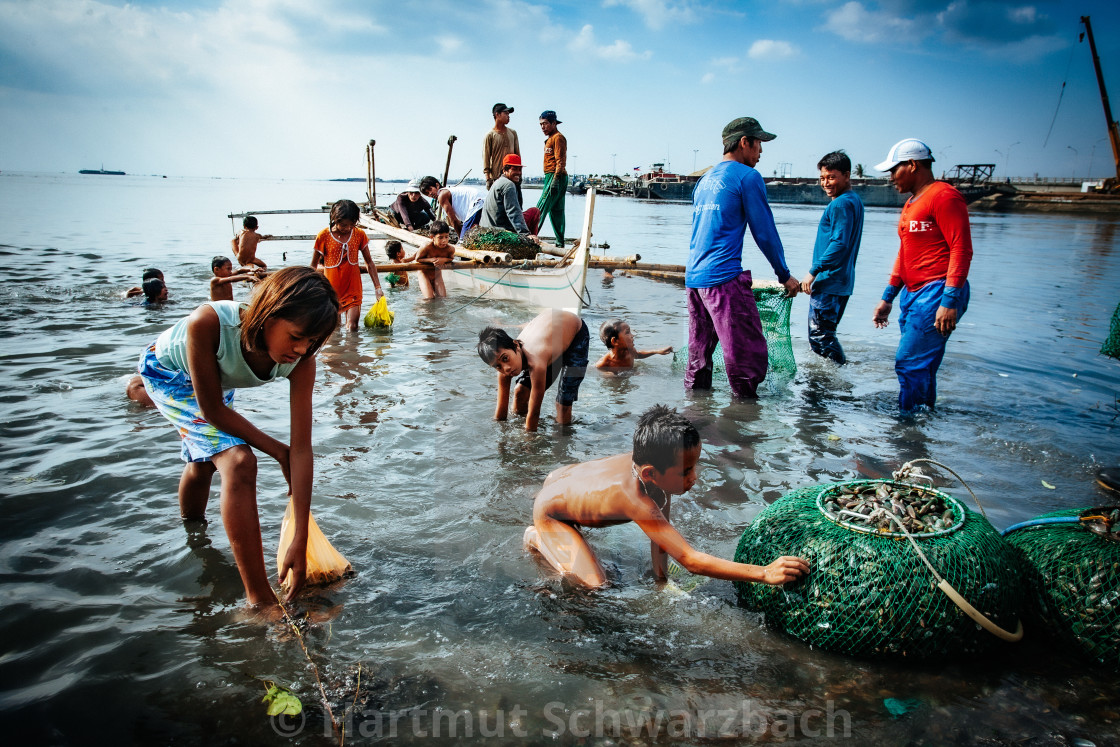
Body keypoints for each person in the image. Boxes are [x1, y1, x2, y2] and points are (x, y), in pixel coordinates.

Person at [134, 266, 340, 612]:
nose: (302, 350)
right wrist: (277, 451)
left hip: (217, 378)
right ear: (269, 313)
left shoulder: (303, 361)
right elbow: (212, 409)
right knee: (239, 460)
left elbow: (302, 450)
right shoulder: (209, 323)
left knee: (205, 460)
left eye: (312, 343)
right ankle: (259, 602)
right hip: (167, 373)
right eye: (296, 337)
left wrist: (300, 538)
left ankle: (193, 531)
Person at [523, 404, 810, 588]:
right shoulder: (636, 499)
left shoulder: (655, 472)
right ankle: (538, 538)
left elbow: (661, 538)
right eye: (686, 471)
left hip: (563, 480)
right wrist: (763, 573)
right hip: (551, 511)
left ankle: (561, 533)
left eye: (694, 466)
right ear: (650, 474)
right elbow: (690, 559)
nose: (694, 477)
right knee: (595, 585)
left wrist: (661, 580)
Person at [685, 116, 800, 397]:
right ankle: (743, 426)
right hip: (723, 281)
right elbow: (765, 233)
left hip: (694, 281)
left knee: (698, 360)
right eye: (758, 143)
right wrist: (784, 275)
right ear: (744, 142)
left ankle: (694, 417)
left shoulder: (704, 181)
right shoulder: (748, 177)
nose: (761, 151)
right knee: (746, 360)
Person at [871, 138, 973, 412]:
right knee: (921, 366)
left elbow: (961, 248)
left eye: (894, 170)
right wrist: (888, 297)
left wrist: (949, 301)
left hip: (938, 290)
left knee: (909, 363)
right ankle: (922, 422)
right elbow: (904, 253)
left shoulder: (944, 196)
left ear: (912, 165)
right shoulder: (912, 203)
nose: (891, 178)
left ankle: (907, 428)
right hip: (913, 293)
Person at [800, 150, 864, 365]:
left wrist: (812, 272)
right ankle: (833, 379)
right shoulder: (854, 200)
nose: (826, 183)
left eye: (831, 177)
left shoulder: (841, 204)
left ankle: (835, 378)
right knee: (825, 335)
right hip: (842, 283)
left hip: (829, 282)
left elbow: (839, 243)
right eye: (822, 178)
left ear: (847, 175)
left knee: (820, 338)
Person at [477, 309, 588, 432]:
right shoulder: (503, 367)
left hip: (577, 335)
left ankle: (565, 436)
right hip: (550, 339)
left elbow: (534, 413)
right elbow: (500, 416)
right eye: (497, 366)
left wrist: (528, 443)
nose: (506, 368)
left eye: (505, 358)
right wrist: (501, 439)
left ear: (516, 346)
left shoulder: (536, 363)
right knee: (520, 392)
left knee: (563, 404)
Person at [311, 199, 383, 331]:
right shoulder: (324, 236)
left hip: (353, 287)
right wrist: (310, 289)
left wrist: (377, 287)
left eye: (352, 225)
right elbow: (313, 266)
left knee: (353, 327)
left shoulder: (359, 234)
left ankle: (352, 350)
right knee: (334, 328)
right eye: (343, 225)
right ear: (335, 220)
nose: (348, 229)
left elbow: (369, 262)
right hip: (331, 289)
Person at [481, 154, 541, 244]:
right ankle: (531, 243)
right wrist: (525, 234)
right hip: (499, 231)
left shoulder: (498, 182)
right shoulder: (508, 185)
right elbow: (513, 211)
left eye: (520, 170)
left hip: (488, 229)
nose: (518, 173)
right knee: (534, 212)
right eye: (514, 169)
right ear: (505, 170)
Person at [535, 110, 568, 248]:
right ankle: (560, 243)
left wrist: (555, 179)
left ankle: (530, 236)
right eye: (541, 124)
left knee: (540, 208)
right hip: (556, 176)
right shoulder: (550, 139)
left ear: (554, 123)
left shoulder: (557, 138)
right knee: (556, 211)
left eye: (545, 124)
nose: (543, 127)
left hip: (555, 176)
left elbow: (560, 160)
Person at [419, 176, 485, 238]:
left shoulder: (442, 195)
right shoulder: (448, 191)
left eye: (430, 189)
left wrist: (460, 238)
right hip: (483, 201)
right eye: (427, 193)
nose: (430, 194)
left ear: (437, 185)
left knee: (464, 239)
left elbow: (454, 221)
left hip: (477, 204)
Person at [595, 318, 672, 369]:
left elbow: (638, 355)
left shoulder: (629, 351)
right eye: (627, 332)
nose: (632, 335)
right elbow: (597, 372)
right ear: (615, 341)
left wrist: (657, 351)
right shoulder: (604, 364)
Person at [483, 102, 521, 197]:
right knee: (499, 208)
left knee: (515, 206)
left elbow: (518, 155)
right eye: (506, 113)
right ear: (497, 115)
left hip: (512, 177)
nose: (508, 116)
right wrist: (488, 178)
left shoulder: (512, 133)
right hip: (497, 178)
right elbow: (486, 158)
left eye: (509, 114)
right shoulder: (490, 135)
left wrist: (519, 174)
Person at [412, 220, 456, 300]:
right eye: (440, 237)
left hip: (437, 274)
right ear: (432, 237)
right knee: (429, 299)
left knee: (443, 299)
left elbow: (451, 258)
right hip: (424, 274)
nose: (444, 240)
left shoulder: (450, 249)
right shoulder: (426, 246)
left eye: (446, 237)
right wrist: (431, 260)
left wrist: (443, 260)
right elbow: (417, 259)